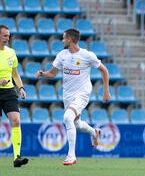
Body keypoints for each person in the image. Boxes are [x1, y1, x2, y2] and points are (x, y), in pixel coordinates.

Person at [35, 29, 110, 165]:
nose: (62, 40)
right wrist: (43, 74)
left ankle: (71, 155)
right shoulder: (62, 55)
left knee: (67, 118)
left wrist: (106, 91)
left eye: (64, 38)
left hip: (83, 93)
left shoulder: (87, 55)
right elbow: (52, 74)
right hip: (68, 95)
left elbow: (104, 71)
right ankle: (94, 132)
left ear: (70, 39)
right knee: (76, 124)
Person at [0, 24, 28, 167]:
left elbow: (15, 73)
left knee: (16, 121)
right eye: (5, 35)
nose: (8, 38)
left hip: (8, 90)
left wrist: (21, 87)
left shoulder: (11, 52)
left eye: (9, 36)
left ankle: (17, 157)